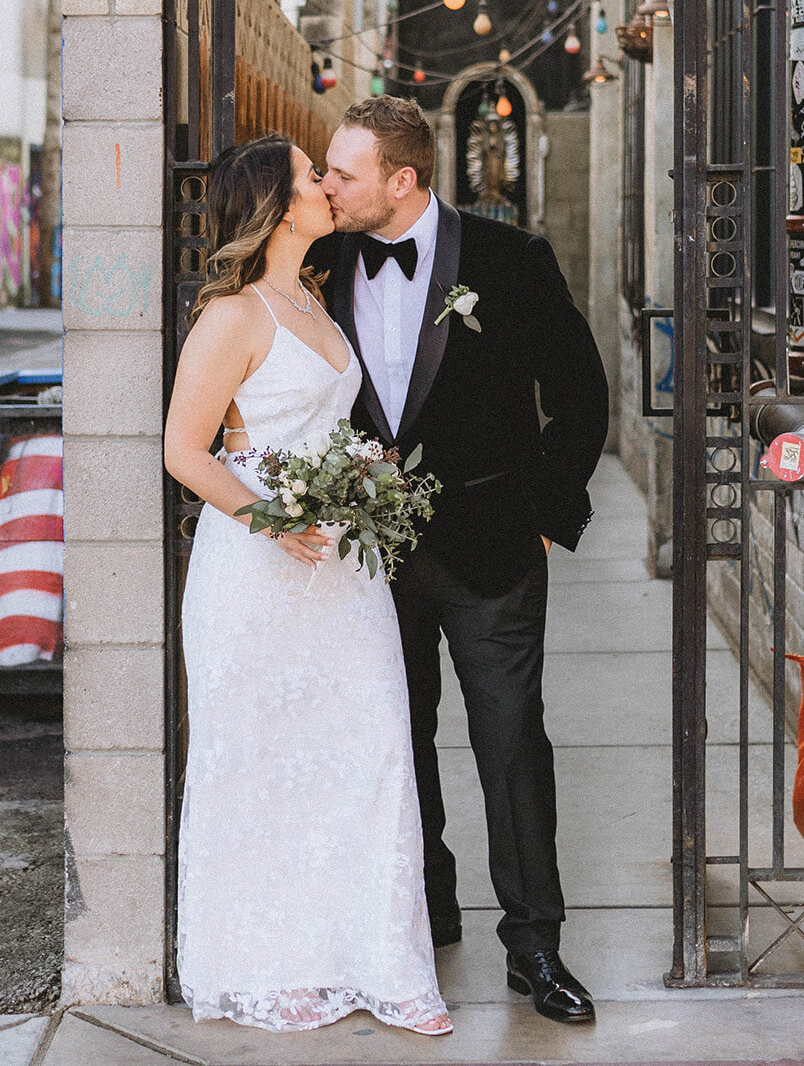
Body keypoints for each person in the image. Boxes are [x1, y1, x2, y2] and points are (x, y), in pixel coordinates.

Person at [309, 96, 609, 1024]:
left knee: (511, 744)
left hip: (493, 552)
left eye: (343, 173)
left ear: (402, 180)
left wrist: (547, 514)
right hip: (370, 560)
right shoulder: (319, 263)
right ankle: (427, 910)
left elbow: (580, 392)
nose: (327, 185)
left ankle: (535, 945)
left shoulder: (511, 262)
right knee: (395, 742)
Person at [164, 134, 451, 1037]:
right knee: (258, 765)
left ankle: (380, 960)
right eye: (310, 177)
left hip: (341, 574)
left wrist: (365, 491)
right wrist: (275, 521)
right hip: (256, 571)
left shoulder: (316, 299)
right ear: (279, 205)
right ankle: (265, 964)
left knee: (366, 753)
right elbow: (182, 451)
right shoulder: (234, 314)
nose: (329, 187)